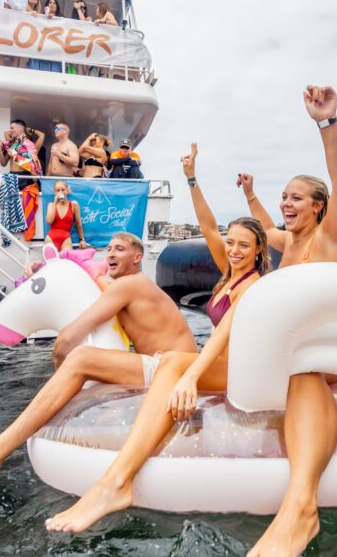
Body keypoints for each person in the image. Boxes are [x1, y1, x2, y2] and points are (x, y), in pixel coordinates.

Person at [42, 147, 270, 532]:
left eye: (243, 245)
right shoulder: (228, 271)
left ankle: (116, 482)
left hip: (239, 370)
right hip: (218, 362)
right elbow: (208, 226)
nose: (233, 249)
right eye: (231, 243)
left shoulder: (253, 285)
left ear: (259, 250)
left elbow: (226, 335)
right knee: (173, 363)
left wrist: (191, 376)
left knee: (173, 362)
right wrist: (192, 179)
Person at [0, 232, 198, 489]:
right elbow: (88, 277)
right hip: (167, 365)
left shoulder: (128, 286)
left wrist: (61, 366)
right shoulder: (128, 284)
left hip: (173, 369)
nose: (110, 253)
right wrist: (40, 271)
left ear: (138, 257)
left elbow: (67, 338)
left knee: (80, 358)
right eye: (108, 248)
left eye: (120, 249)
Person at [235, 84, 337, 557]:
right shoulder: (288, 245)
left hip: (324, 364)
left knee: (300, 369)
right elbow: (264, 226)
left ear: (318, 207)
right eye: (285, 197)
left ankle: (302, 507)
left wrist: (326, 123)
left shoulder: (330, 239)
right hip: (291, 357)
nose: (288, 204)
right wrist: (251, 195)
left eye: (297, 198)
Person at [0, 119, 45, 186]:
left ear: (20, 129)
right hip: (11, 176)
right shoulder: (11, 144)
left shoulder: (29, 145)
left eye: (12, 128)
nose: (10, 130)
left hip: (25, 177)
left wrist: (15, 155)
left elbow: (32, 164)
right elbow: (3, 163)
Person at [45, 180, 85, 251]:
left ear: (67, 191)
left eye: (63, 190)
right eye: (58, 190)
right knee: (51, 261)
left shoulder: (73, 204)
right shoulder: (51, 205)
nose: (61, 192)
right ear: (55, 192)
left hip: (66, 239)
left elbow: (78, 223)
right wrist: (55, 203)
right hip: (51, 238)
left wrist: (82, 239)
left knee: (66, 261)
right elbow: (49, 221)